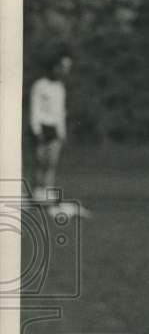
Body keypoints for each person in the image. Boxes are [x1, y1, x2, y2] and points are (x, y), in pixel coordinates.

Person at [29, 50, 88, 217]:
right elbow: (35, 109)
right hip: (42, 127)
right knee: (40, 163)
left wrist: (61, 133)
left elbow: (60, 113)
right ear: (54, 66)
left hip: (54, 129)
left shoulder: (60, 88)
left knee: (51, 164)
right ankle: (38, 197)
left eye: (67, 67)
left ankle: (47, 198)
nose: (65, 70)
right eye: (62, 66)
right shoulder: (40, 85)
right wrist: (36, 130)